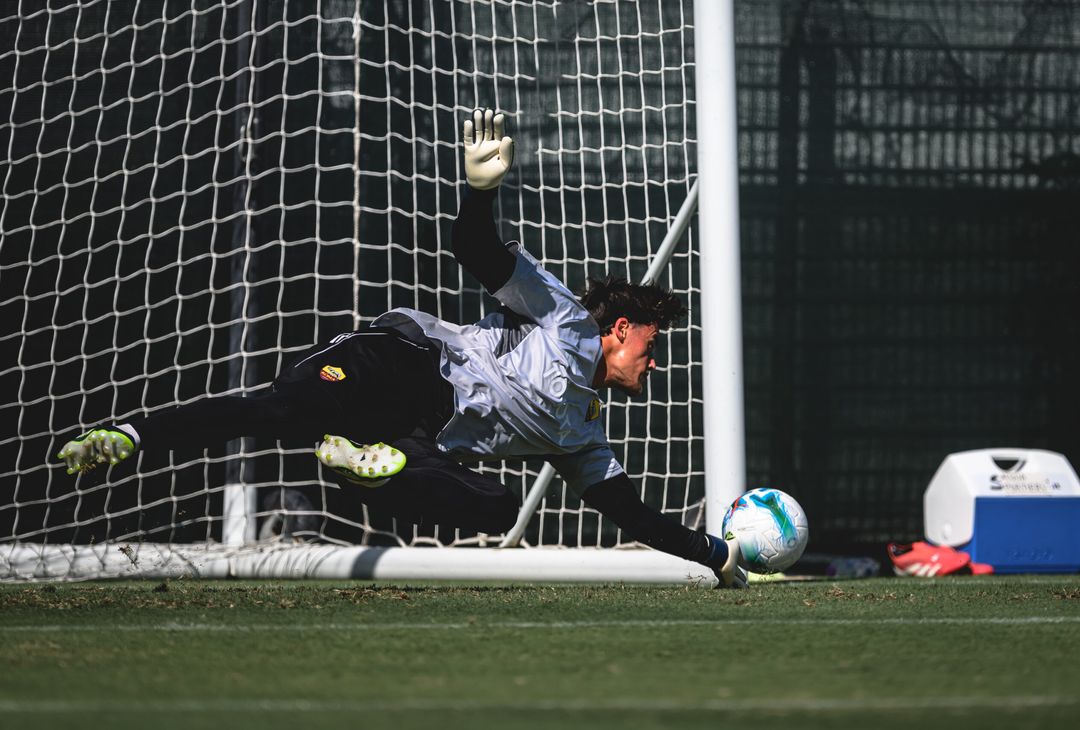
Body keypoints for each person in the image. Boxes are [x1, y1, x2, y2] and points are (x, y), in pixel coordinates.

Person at [57, 108, 747, 588]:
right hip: (397, 365)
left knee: (497, 507)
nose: (653, 366)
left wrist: (716, 555)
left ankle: (367, 466)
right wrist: (481, 192)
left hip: (415, 437)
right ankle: (129, 433)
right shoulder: (566, 322)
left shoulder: (582, 440)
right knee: (274, 410)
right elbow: (477, 251)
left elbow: (635, 518)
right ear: (620, 330)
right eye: (650, 349)